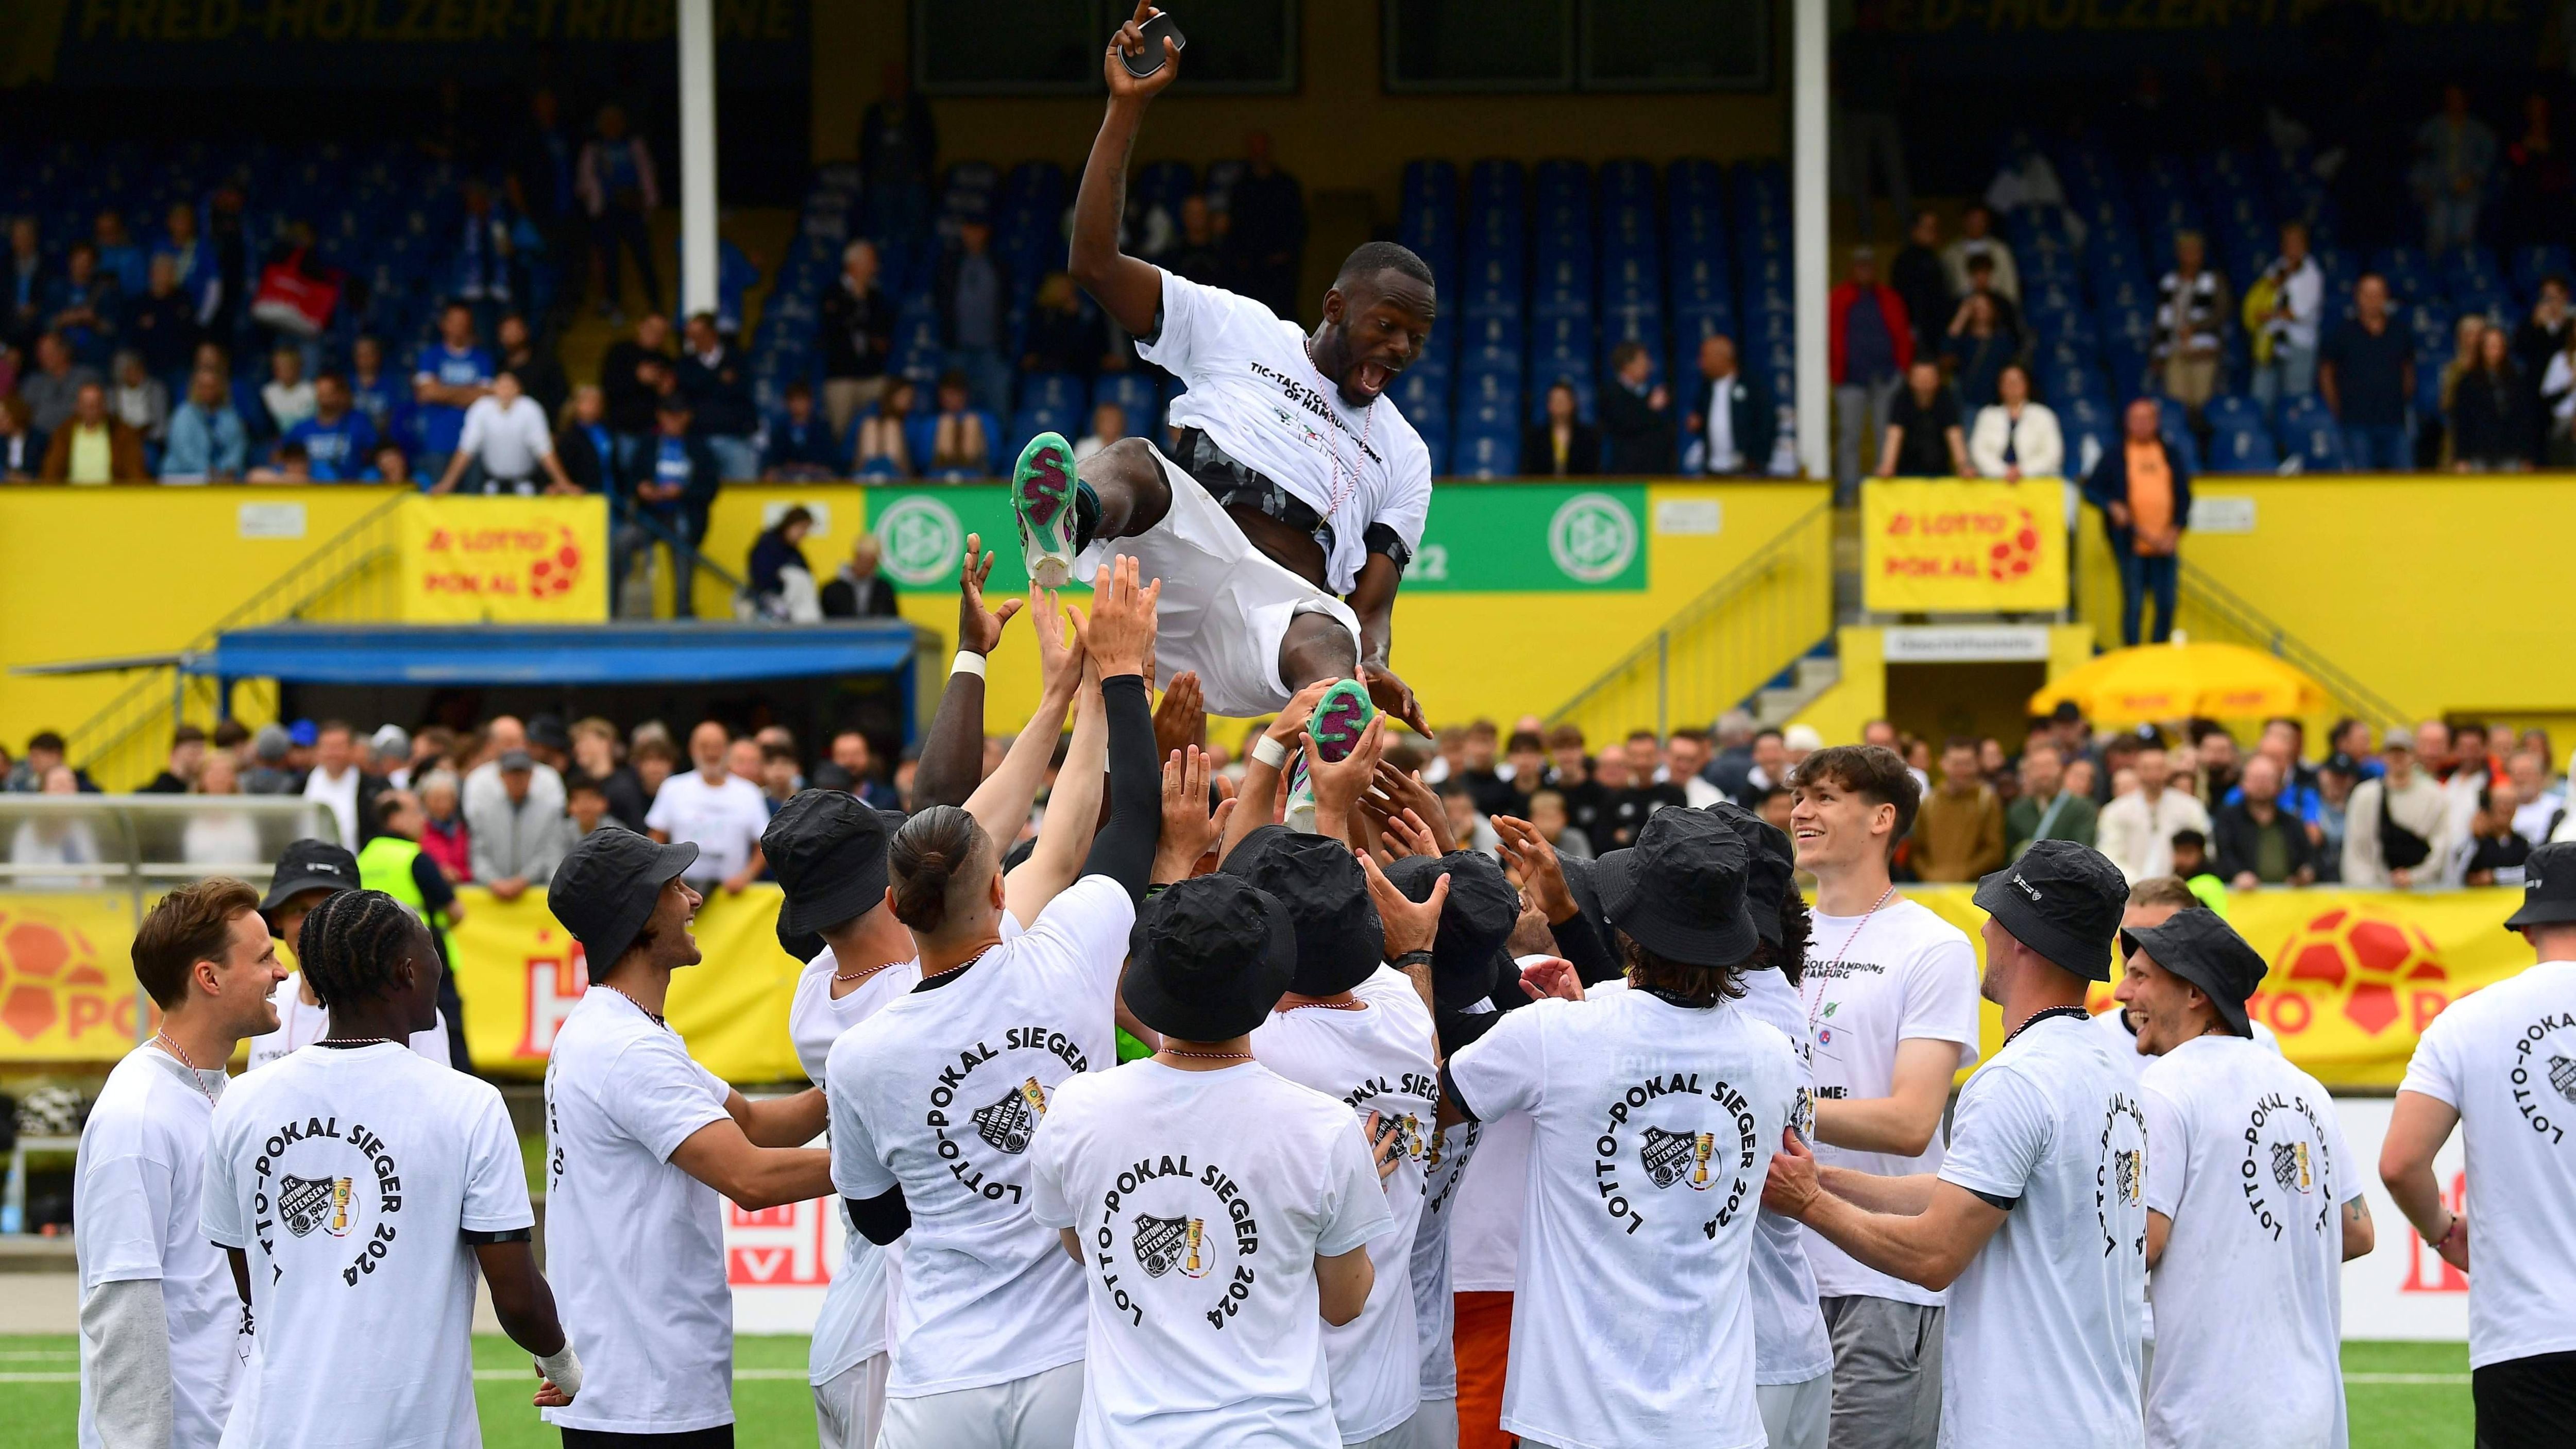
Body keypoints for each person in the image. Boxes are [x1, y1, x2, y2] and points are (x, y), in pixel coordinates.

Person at [825, 559, 1162, 1448]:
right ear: (1004, 895)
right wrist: (1115, 678)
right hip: (1075, 1361)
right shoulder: (1068, 955)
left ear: (894, 909)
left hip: (940, 1376)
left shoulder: (861, 1052)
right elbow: (1123, 829)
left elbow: (877, 1215)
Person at [1046, 12, 1434, 742]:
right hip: (1162, 557)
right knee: (1133, 459)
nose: (1403, 346)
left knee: (1333, 641)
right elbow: (1094, 265)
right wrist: (1126, 107)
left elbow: (1374, 600)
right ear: (1335, 308)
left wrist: (1375, 659)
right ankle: (1064, 524)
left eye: (1417, 336)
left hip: (1275, 603)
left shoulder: (1407, 455)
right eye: (1388, 326)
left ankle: (1325, 759)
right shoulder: (1238, 327)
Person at [1765, 840, 2146, 1449]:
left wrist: (1809, 1203)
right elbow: (1964, 1195)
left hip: (2024, 1426)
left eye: (1995, 917)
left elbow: (1933, 1255)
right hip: (2098, 1418)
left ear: (2021, 937)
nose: (1985, 931)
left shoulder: (2014, 1080)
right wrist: (1825, 1179)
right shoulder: (2105, 1068)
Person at [1443, 807, 1799, 1448]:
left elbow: (1429, 1100)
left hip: (1574, 1422)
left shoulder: (1556, 1036)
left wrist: (1420, 952)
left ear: (1626, 924)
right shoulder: (1773, 1055)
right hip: (1718, 1423)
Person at [204, 888, 582, 1446]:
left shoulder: (241, 1102)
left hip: (271, 1428)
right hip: (412, 1431)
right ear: (408, 971)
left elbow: (253, 1275)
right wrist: (560, 1361)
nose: (439, 964)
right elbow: (518, 1295)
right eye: (432, 949)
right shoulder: (467, 1105)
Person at [1029, 870, 1393, 1448]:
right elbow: (1345, 1304)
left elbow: (1083, 1246)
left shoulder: (1076, 1107)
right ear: (1272, 984)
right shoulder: (1323, 1128)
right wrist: (1347, 1192)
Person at [539, 825, 833, 1446]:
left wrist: (872, 1078)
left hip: (639, 1380)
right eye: (674, 887)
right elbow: (750, 1176)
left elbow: (756, 1123)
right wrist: (902, 1162)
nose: (694, 899)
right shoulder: (626, 1048)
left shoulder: (618, 1029)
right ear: (638, 914)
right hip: (645, 1389)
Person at [1787, 745, 1980, 1448]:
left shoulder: (1934, 945)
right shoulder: (1768, 939)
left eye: (1826, 797)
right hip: (1773, 1271)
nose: (1803, 812)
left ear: (1882, 819)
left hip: (1879, 1276)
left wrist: (1769, 1104)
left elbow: (1910, 1122)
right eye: (1801, 797)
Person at [1237, 822, 1437, 1447]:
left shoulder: (1258, 1049)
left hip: (1287, 1406)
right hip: (1389, 1394)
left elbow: (1148, 987)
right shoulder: (1406, 1010)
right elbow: (1333, 922)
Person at [2381, 840, 2576, 1449]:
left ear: (2525, 930)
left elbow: (2400, 1163)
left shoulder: (2466, 1022)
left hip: (2522, 1341)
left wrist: (2441, 1228)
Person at [73, 878, 280, 1449]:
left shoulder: (223, 1090)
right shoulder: (136, 1115)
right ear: (208, 978)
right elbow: (125, 1307)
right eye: (264, 958)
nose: (281, 972)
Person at [245, 837, 453, 1070]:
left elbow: (437, 1099)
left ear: (360, 919)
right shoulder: (269, 999)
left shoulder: (402, 1007)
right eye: (300, 910)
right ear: (277, 918)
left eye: (331, 909)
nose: (317, 924)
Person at [2083, 397, 2192, 646]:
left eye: (2147, 419)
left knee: (2167, 604)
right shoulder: (2115, 455)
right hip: (2131, 544)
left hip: (2164, 545)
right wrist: (2112, 507)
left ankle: (2158, 653)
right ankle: (2133, 655)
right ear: (2127, 423)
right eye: (2136, 419)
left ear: (2156, 422)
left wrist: (2174, 532)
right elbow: (2090, 490)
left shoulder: (2170, 454)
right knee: (2134, 605)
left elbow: (2185, 497)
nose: (2142, 424)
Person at [622, 396, 721, 617]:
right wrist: (642, 488)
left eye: (679, 417)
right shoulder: (648, 443)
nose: (674, 422)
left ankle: (683, 617)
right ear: (660, 416)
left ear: (688, 418)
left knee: (684, 567)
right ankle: (611, 610)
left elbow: (710, 487)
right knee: (622, 542)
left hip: (683, 516)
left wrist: (683, 492)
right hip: (650, 516)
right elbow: (630, 477)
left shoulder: (699, 447)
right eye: (669, 416)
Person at [646, 720, 770, 895]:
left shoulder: (750, 793)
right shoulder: (673, 788)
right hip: (682, 894)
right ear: (692, 749)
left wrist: (746, 877)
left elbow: (763, 844)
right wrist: (664, 879)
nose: (711, 753)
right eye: (704, 746)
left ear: (728, 749)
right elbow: (655, 839)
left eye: (717, 746)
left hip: (733, 898)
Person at [1831, 247, 1913, 498]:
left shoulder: (1889, 297)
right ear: (1851, 268)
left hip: (1885, 378)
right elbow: (1830, 336)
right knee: (1849, 438)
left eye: (1869, 265)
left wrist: (1902, 369)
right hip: (1850, 379)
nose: (1864, 270)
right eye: (1859, 265)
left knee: (1885, 438)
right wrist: (1835, 371)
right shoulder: (1838, 297)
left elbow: (1903, 335)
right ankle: (1848, 492)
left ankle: (1881, 496)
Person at [2319, 274, 2416, 471]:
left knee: (2406, 481)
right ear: (2358, 297)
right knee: (2362, 482)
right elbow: (2327, 372)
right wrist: (2337, 405)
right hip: (2357, 422)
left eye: (2378, 294)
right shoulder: (2344, 332)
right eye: (2368, 294)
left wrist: (2401, 398)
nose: (2373, 300)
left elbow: (2408, 370)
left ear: (2386, 297)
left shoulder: (2400, 331)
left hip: (2394, 420)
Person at [430, 369, 574, 496]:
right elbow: (466, 451)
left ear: (518, 389)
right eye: (501, 385)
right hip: (491, 486)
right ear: (494, 388)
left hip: (525, 487)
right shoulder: (481, 409)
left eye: (510, 386)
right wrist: (447, 485)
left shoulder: (531, 409)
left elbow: (545, 452)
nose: (505, 390)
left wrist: (564, 484)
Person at [2342, 727, 2454, 888]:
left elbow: (2441, 846)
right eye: (2392, 753)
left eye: (2403, 753)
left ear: (2414, 755)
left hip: (2423, 894)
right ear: (2383, 756)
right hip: (2376, 895)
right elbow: (2356, 851)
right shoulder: (2365, 796)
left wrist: (2415, 877)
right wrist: (2369, 889)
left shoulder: (2435, 796)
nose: (2397, 758)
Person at [579, 104, 662, 321]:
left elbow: (647, 173)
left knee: (644, 259)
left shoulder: (634, 144)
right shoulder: (593, 148)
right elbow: (584, 181)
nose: (612, 126)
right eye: (608, 122)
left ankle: (656, 304)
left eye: (616, 121)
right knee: (610, 261)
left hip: (633, 209)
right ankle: (615, 305)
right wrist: (594, 201)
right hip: (607, 211)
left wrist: (648, 203)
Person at [2095, 743, 2211, 883]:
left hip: (2180, 886)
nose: (2153, 775)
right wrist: (2136, 882)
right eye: (2147, 768)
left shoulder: (2191, 808)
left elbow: (2205, 850)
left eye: (2159, 768)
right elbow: (2109, 854)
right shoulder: (2116, 811)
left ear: (2168, 770)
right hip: (2130, 888)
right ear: (2137, 770)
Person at [935, 216, 1014, 416]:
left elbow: (1008, 301)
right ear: (963, 232)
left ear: (986, 233)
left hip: (992, 348)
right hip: (957, 347)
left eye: (978, 230)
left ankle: (1002, 446)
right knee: (953, 408)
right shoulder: (950, 263)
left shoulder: (998, 263)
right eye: (969, 229)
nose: (973, 235)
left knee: (998, 404)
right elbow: (940, 299)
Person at [410, 301, 495, 482]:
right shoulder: (431, 356)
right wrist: (469, 392)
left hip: (473, 444)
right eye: (454, 321)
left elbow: (486, 398)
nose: (459, 326)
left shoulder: (483, 358)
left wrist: (442, 391)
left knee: (472, 505)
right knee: (438, 503)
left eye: (464, 321)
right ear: (444, 325)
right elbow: (427, 394)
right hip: (438, 442)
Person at [2412, 82, 2500, 256]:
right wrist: (2422, 187)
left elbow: (2489, 159)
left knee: (2463, 241)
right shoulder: (2432, 128)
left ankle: (2462, 277)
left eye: (2458, 98)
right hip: (2437, 192)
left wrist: (2472, 177)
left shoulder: (2479, 130)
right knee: (2436, 241)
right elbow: (2420, 159)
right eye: (2450, 99)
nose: (2454, 102)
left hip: (2468, 193)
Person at [2246, 221, 2324, 409]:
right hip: (2271, 343)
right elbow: (2263, 295)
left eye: (2296, 242)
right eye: (2288, 242)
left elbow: (2297, 313)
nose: (2292, 246)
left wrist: (2270, 315)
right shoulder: (2276, 268)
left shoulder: (2312, 275)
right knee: (2261, 399)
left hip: (2299, 346)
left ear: (2305, 245)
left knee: (2294, 400)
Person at [2210, 753, 2317, 887]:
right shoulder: (2227, 819)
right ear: (2243, 783)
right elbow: (2223, 854)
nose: (2261, 784)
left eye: (2267, 779)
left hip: (2289, 900)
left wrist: (2306, 871)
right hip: (2240, 898)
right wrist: (2237, 874)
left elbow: (2309, 857)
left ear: (2280, 785)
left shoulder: (2292, 822)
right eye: (2256, 778)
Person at [821, 240, 894, 436]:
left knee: (881, 426)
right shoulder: (832, 292)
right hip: (841, 376)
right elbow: (835, 328)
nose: (875, 267)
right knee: (841, 433)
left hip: (872, 374)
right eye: (871, 261)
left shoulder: (876, 296)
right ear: (854, 264)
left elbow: (883, 331)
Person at [2151, 231, 2229, 413]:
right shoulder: (2169, 282)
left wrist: (2195, 327)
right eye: (2185, 251)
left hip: (2203, 351)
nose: (2190, 255)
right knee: (2176, 404)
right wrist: (2157, 351)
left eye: (2194, 251)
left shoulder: (2214, 279)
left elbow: (2222, 312)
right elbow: (2161, 319)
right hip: (2175, 349)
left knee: (2201, 404)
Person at [678, 311, 760, 481]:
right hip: (700, 439)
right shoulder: (685, 364)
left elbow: (740, 391)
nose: (694, 340)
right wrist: (718, 378)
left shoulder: (737, 358)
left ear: (712, 333)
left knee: (744, 492)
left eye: (698, 334)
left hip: (735, 438)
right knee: (699, 489)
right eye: (690, 336)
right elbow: (688, 390)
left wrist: (704, 385)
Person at [1910, 737, 2005, 883]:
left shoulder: (1986, 800)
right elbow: (1917, 850)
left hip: (1971, 892)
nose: (1961, 771)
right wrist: (1929, 875)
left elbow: (1995, 850)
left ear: (1977, 764)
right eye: (1956, 764)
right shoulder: (1929, 802)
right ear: (1943, 764)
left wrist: (1963, 873)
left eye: (1967, 764)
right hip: (1931, 891)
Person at [1685, 334, 1776, 477]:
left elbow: (1766, 423)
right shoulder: (1705, 389)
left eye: (1705, 357)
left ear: (1723, 357)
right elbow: (1702, 420)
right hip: (1713, 471)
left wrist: (1756, 460)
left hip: (1746, 472)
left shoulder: (1752, 387)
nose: (1701, 363)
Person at [2450, 324, 2535, 471]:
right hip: (2478, 453)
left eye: (2497, 345)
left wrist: (2527, 456)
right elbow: (2462, 421)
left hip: (2511, 452)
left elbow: (2524, 420)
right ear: (2481, 348)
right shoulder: (2468, 382)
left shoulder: (2516, 381)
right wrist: (2461, 458)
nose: (2493, 350)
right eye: (2489, 346)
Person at [1965, 363, 2060, 481]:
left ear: (2027, 384)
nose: (2013, 385)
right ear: (2000, 386)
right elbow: (1978, 451)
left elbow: (2052, 455)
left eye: (2018, 380)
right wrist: (2004, 472)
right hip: (1994, 482)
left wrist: (2022, 471)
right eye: (2007, 381)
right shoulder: (1987, 415)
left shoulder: (2044, 415)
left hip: (2036, 483)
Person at [40, 380, 148, 482]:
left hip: (113, 498)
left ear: (104, 406)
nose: (91, 409)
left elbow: (135, 475)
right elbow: (51, 474)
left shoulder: (123, 434)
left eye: (96, 404)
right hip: (72, 499)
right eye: (86, 405)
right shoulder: (63, 434)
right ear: (77, 406)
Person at [2006, 742, 2096, 860]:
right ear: (2027, 772)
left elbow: (2083, 851)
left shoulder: (2082, 808)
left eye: (2049, 766)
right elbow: (2008, 856)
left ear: (2061, 768)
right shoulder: (2017, 810)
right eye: (2037, 767)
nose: (2044, 773)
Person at [1876, 359, 1966, 477]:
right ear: (1910, 380)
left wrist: (1963, 466)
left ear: (1938, 380)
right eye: (1919, 377)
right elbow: (1894, 434)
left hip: (1940, 472)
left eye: (1929, 377)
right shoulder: (1901, 399)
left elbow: (1954, 434)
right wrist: (1888, 466)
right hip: (1905, 472)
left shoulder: (1946, 398)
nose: (1924, 382)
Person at [1598, 340, 1676, 474]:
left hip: (1656, 473)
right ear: (1627, 365)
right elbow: (1624, 424)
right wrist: (1650, 408)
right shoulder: (1612, 392)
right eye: (1643, 362)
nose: (1649, 366)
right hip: (1628, 475)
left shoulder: (1652, 393)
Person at [285, 373, 379, 482]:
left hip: (350, 489)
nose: (324, 397)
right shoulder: (301, 428)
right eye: (321, 392)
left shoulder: (358, 423)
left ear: (340, 394)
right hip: (311, 490)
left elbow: (377, 454)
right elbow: (280, 456)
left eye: (329, 392)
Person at [1890, 209, 1953, 358]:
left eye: (1935, 228)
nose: (1932, 232)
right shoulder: (1905, 261)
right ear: (1914, 230)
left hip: (1936, 331)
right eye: (1927, 228)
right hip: (1916, 332)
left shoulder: (1935, 258)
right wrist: (1912, 329)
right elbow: (1904, 300)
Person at [1942, 292, 2016, 414]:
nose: (1982, 311)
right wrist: (1962, 315)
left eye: (1985, 307)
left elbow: (2010, 368)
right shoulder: (1964, 340)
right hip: (1968, 402)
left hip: (1996, 403)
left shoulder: (2003, 340)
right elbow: (1946, 350)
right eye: (1977, 307)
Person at [1520, 378, 1601, 478]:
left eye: (1562, 400)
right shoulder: (1535, 438)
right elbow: (1527, 473)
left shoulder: (1588, 437)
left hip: (1578, 491)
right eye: (1555, 400)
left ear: (1572, 404)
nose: (1559, 404)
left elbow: (1594, 473)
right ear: (1548, 405)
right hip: (1544, 491)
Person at [765, 380, 844, 480]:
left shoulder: (822, 428)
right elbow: (774, 457)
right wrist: (787, 465)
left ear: (810, 402)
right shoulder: (781, 430)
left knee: (832, 477)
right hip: (788, 473)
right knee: (770, 475)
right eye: (794, 401)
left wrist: (813, 465)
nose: (798, 405)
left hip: (816, 472)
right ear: (787, 403)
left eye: (801, 400)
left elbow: (830, 457)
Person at [821, 533, 901, 619]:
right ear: (856, 557)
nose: (867, 566)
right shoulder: (831, 590)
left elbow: (893, 621)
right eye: (865, 560)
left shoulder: (884, 589)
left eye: (872, 562)